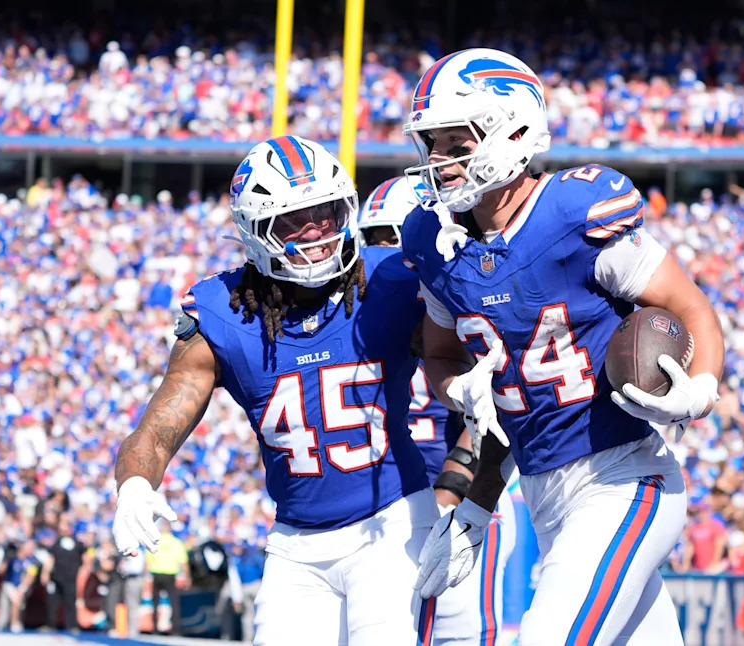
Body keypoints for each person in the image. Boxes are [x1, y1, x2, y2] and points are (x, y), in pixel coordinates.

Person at [400, 48, 725, 645]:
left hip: (623, 479)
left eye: (457, 141)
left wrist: (699, 389)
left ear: (514, 132)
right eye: (433, 143)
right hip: (544, 495)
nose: (440, 161)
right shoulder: (434, 240)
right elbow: (448, 361)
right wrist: (473, 491)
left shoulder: (574, 213)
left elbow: (691, 307)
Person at [111, 136, 437, 645]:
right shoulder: (223, 311)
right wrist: (134, 483)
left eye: (326, 212)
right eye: (293, 220)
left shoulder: (391, 277)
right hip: (295, 543)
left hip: (392, 522)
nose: (317, 232)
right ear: (255, 230)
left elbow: (470, 348)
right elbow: (155, 429)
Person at [359, 177, 517, 645]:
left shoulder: (462, 309)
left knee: (461, 633)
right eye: (375, 240)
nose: (386, 253)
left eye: (396, 237)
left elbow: (497, 404)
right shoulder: (364, 322)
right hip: (392, 506)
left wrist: (454, 484)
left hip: (467, 497)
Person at [145, 520, 189, 635]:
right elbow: (183, 562)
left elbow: (147, 561)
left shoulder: (154, 541)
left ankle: (155, 628)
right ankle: (176, 629)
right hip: (170, 574)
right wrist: (188, 577)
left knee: (155, 603)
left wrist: (145, 576)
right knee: (174, 603)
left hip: (157, 573)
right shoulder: (176, 542)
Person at [42, 515, 85, 632]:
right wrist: (45, 573)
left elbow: (85, 560)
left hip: (71, 577)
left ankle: (72, 625)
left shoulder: (78, 543)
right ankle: (50, 624)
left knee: (70, 602)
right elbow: (51, 558)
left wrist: (81, 574)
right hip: (56, 577)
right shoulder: (56, 542)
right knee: (52, 602)